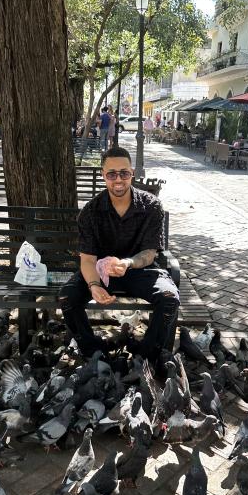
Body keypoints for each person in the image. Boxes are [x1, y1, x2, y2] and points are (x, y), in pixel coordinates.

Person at [59, 146, 180, 361]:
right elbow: (87, 260)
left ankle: (145, 357)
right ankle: (95, 351)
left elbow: (149, 253)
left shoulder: (151, 206)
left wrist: (127, 262)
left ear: (132, 173)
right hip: (101, 272)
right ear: (103, 175)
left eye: (124, 173)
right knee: (67, 296)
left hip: (140, 270)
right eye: (112, 174)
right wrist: (94, 285)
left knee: (169, 298)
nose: (118, 180)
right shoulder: (90, 212)